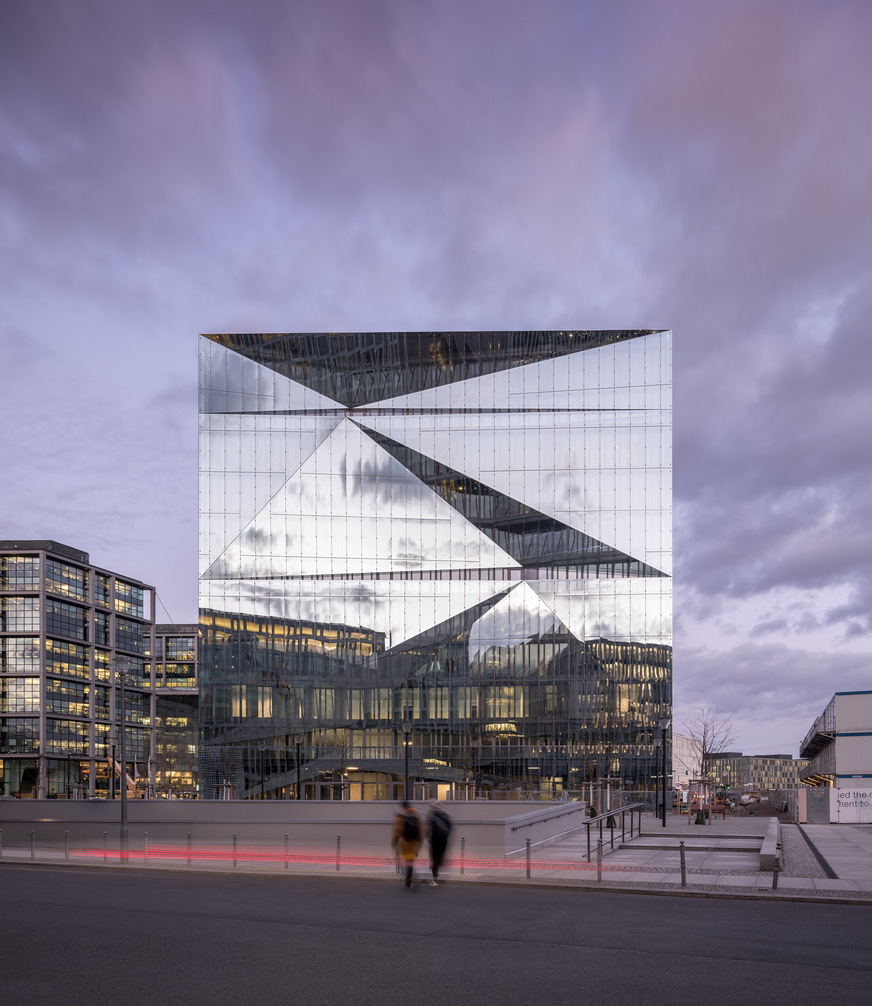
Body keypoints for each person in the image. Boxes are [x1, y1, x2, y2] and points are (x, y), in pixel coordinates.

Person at [391, 800, 422, 890]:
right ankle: (410, 877)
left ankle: (408, 881)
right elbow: (420, 830)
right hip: (414, 842)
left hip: (405, 842)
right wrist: (418, 842)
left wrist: (394, 840)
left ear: (403, 807)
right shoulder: (416, 815)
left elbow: (398, 830)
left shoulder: (402, 817)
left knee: (407, 861)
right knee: (410, 861)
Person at [426, 800, 452, 886]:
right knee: (439, 856)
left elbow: (428, 829)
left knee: (434, 859)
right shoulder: (445, 815)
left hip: (435, 840)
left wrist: (428, 838)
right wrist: (446, 836)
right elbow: (450, 827)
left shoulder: (432, 815)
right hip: (443, 840)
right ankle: (440, 861)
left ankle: (435, 880)